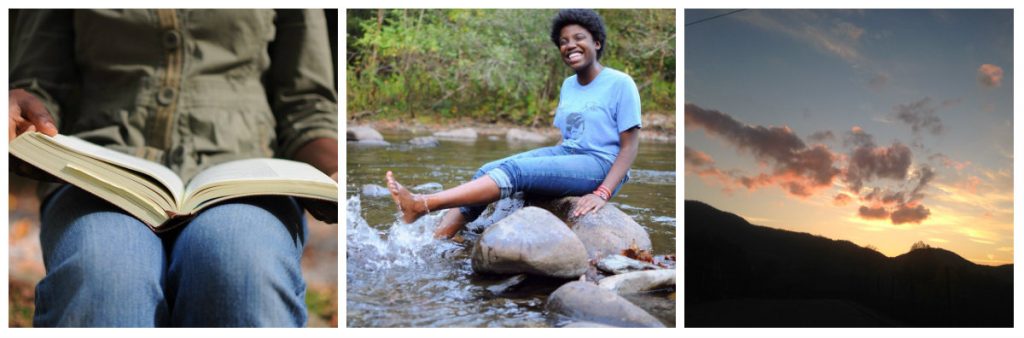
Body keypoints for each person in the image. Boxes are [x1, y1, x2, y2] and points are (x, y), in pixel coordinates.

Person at [8, 9, 338, 327]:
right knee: (103, 272)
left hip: (247, 178)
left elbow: (307, 106)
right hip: (98, 174)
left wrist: (335, 172)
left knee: (241, 266)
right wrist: (19, 114)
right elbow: (40, 85)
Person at [386, 9, 641, 239]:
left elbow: (629, 147)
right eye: (564, 41)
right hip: (570, 154)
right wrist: (548, 167)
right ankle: (437, 239)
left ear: (596, 43)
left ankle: (422, 204)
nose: (570, 45)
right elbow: (568, 137)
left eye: (578, 38)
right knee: (488, 169)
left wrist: (602, 193)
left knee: (517, 173)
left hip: (602, 164)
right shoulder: (568, 85)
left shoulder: (621, 83)